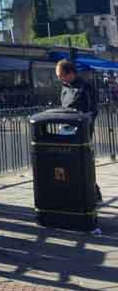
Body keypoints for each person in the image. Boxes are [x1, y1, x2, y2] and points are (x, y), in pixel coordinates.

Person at [56, 59, 102, 202]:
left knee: (84, 162)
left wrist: (83, 124)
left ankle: (92, 192)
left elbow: (92, 110)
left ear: (70, 73)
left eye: (61, 75)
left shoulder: (85, 87)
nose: (60, 79)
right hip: (65, 129)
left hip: (81, 131)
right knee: (68, 163)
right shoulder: (64, 87)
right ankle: (73, 190)